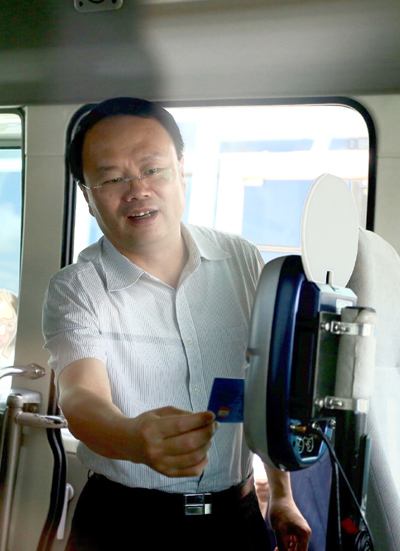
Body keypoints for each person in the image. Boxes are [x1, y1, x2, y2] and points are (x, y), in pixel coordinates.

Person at [42, 97, 311, 551]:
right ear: (87, 197)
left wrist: (282, 495)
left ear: (180, 171)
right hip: (121, 524)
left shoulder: (242, 259)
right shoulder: (76, 287)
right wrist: (133, 438)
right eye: (112, 178)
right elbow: (81, 397)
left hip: (237, 519)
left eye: (152, 169)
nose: (137, 190)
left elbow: (265, 387)